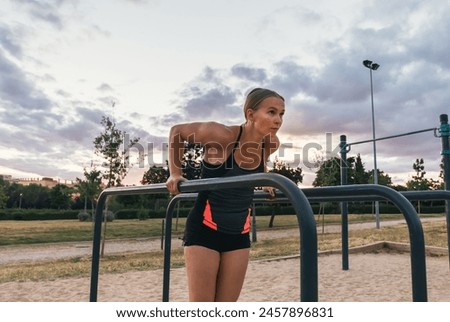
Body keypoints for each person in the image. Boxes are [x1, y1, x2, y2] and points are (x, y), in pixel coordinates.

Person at [166, 88, 285, 301]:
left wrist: (265, 180)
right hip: (204, 231)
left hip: (239, 235)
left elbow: (259, 161)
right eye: (271, 112)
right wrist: (175, 173)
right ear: (250, 114)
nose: (278, 120)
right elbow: (177, 132)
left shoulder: (271, 143)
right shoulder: (221, 136)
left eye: (281, 114)